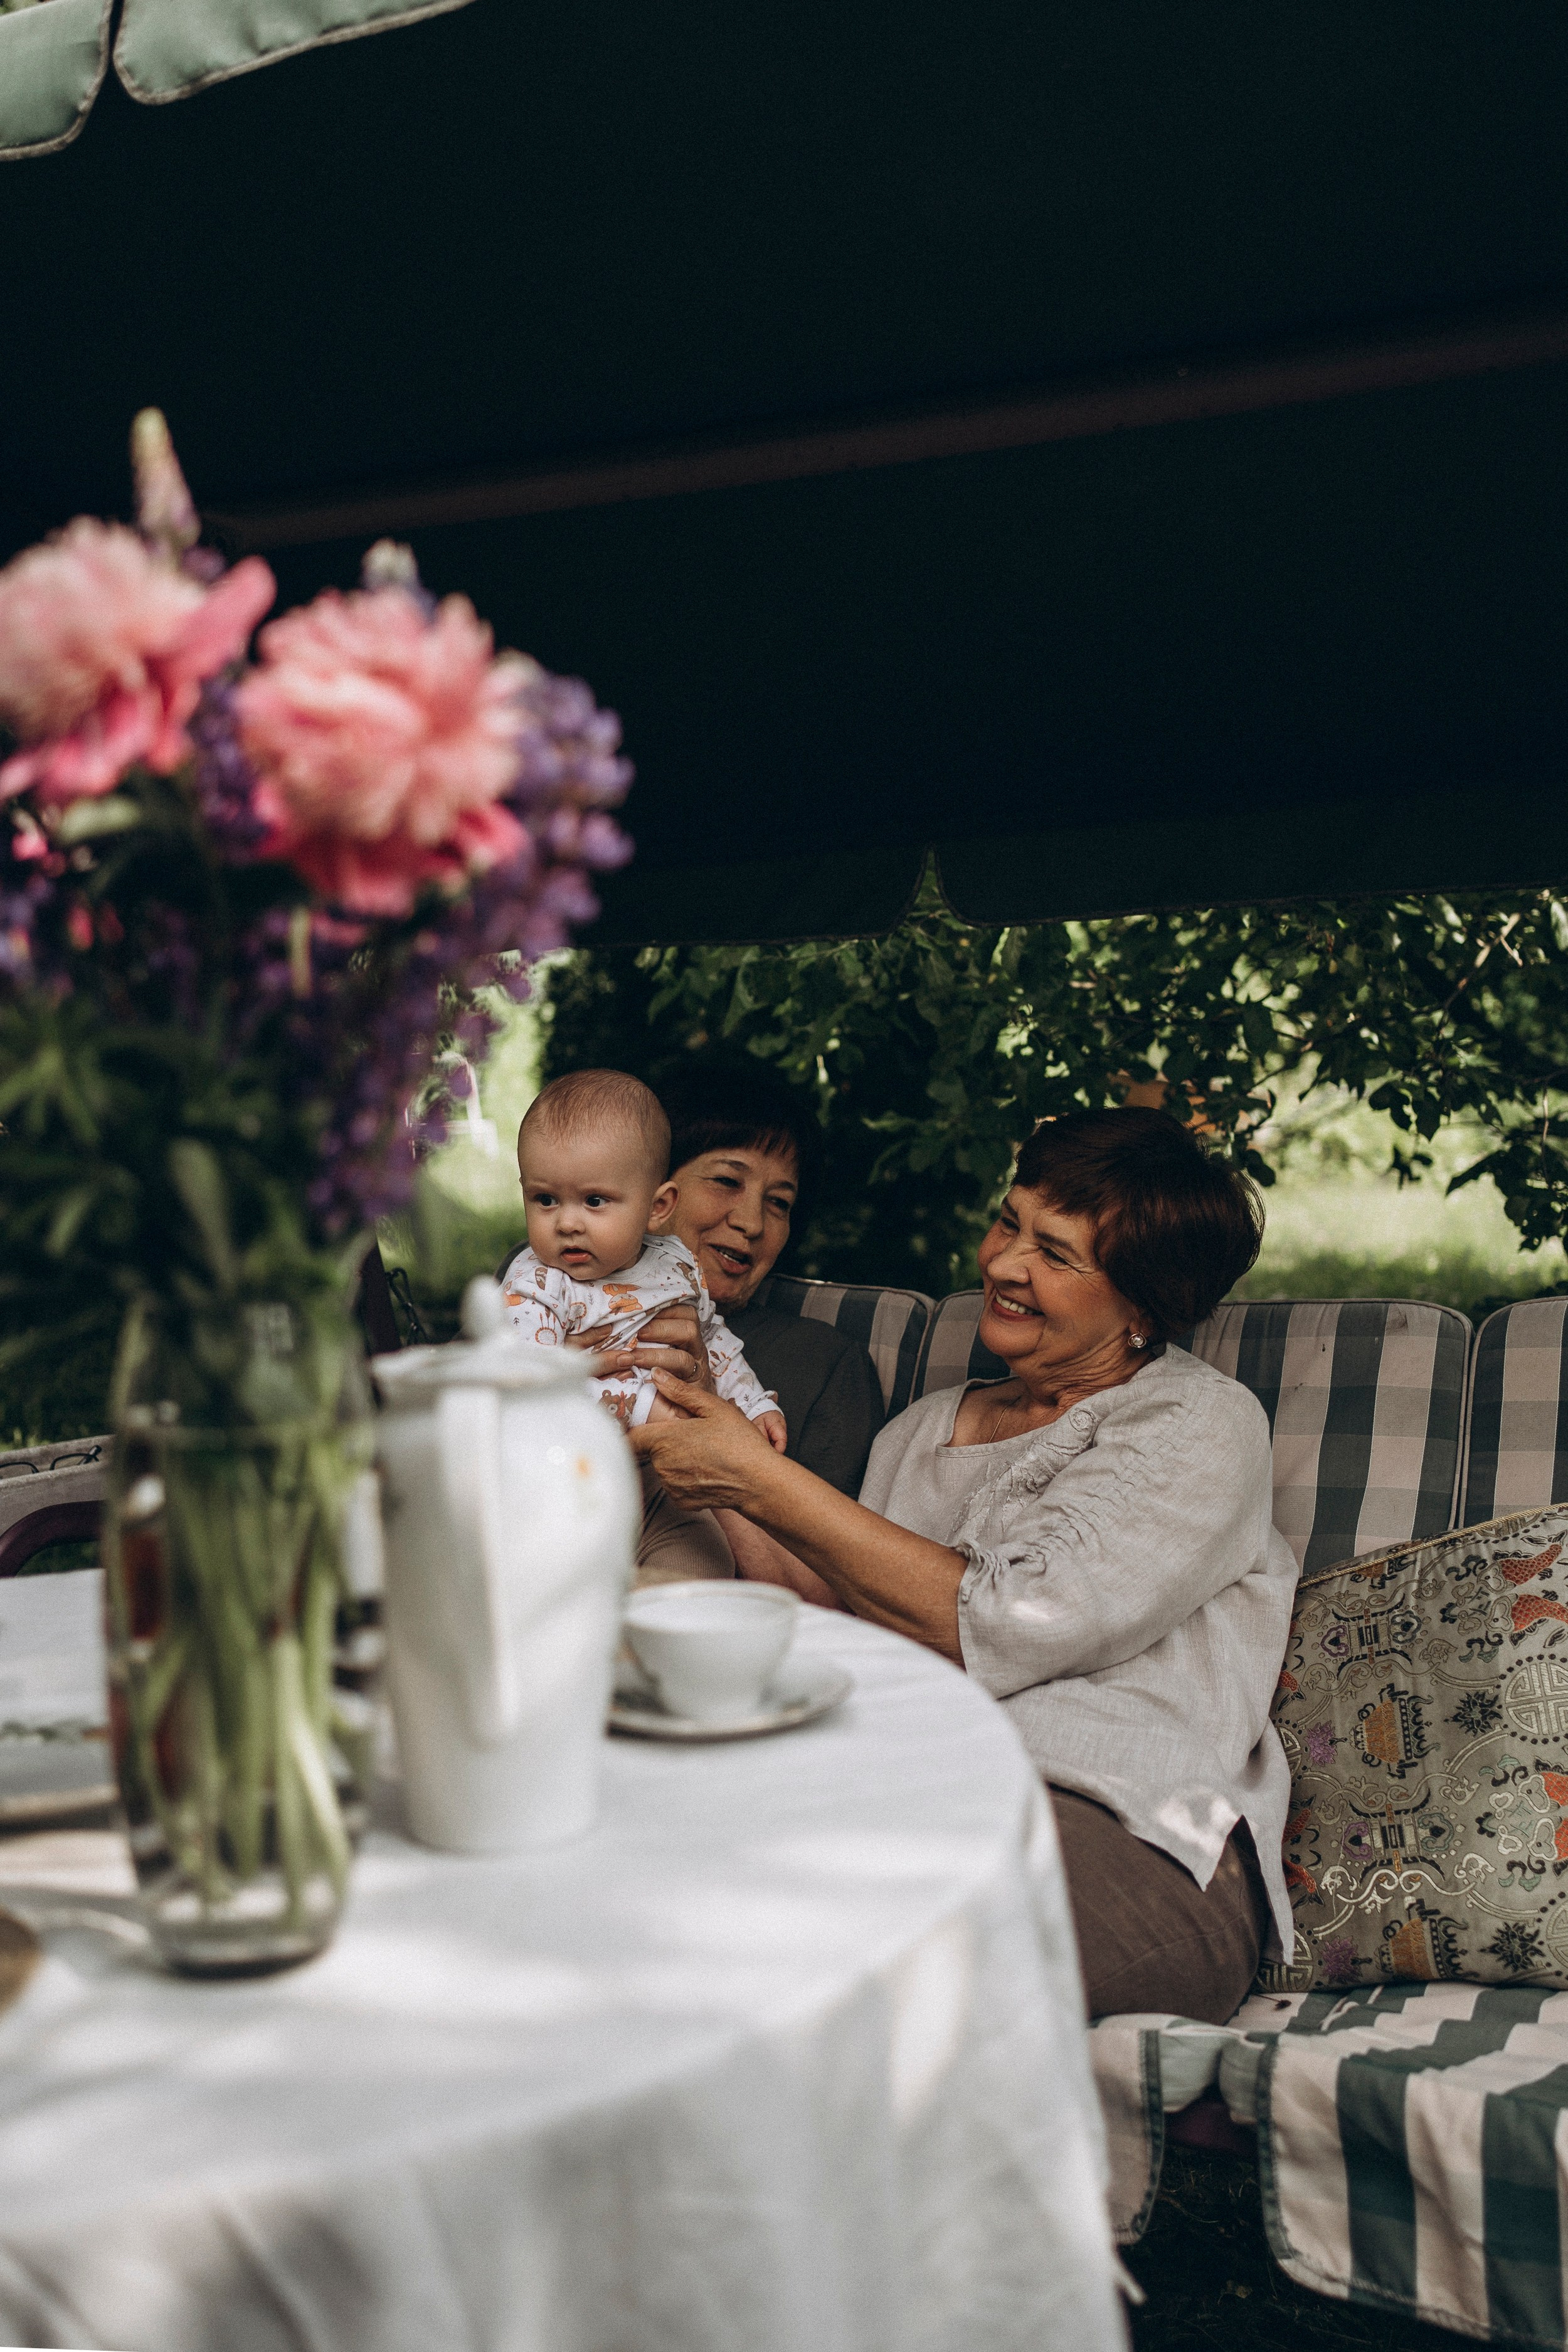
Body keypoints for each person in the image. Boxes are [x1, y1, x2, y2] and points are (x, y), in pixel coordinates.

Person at [627, 1107, 1299, 2025]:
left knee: (830, 1963)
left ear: (1141, 1304)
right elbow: (838, 1618)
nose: (1004, 1263)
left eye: (1055, 1255)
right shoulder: (923, 1429)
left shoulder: (1199, 1421)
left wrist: (763, 1478)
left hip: (1120, 1831)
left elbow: (1003, 1618)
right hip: (908, 1792)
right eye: (1008, 1221)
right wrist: (704, 1428)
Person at [497, 1068, 785, 1584]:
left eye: (595, 1201)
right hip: (571, 1483)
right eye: (545, 1200)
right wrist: (646, 1407)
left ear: (657, 1208)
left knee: (703, 1563)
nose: (567, 1222)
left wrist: (751, 1402)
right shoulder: (538, 1283)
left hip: (663, 1490)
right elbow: (529, 1384)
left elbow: (714, 1340)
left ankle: (665, 1633)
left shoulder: (674, 1266)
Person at [593, 1062, 886, 1498]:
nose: (752, 1223)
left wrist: (707, 1412)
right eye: (727, 1181)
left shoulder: (826, 1364)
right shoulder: (552, 1287)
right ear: (654, 1188)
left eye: (779, 1203)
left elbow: (819, 1564)